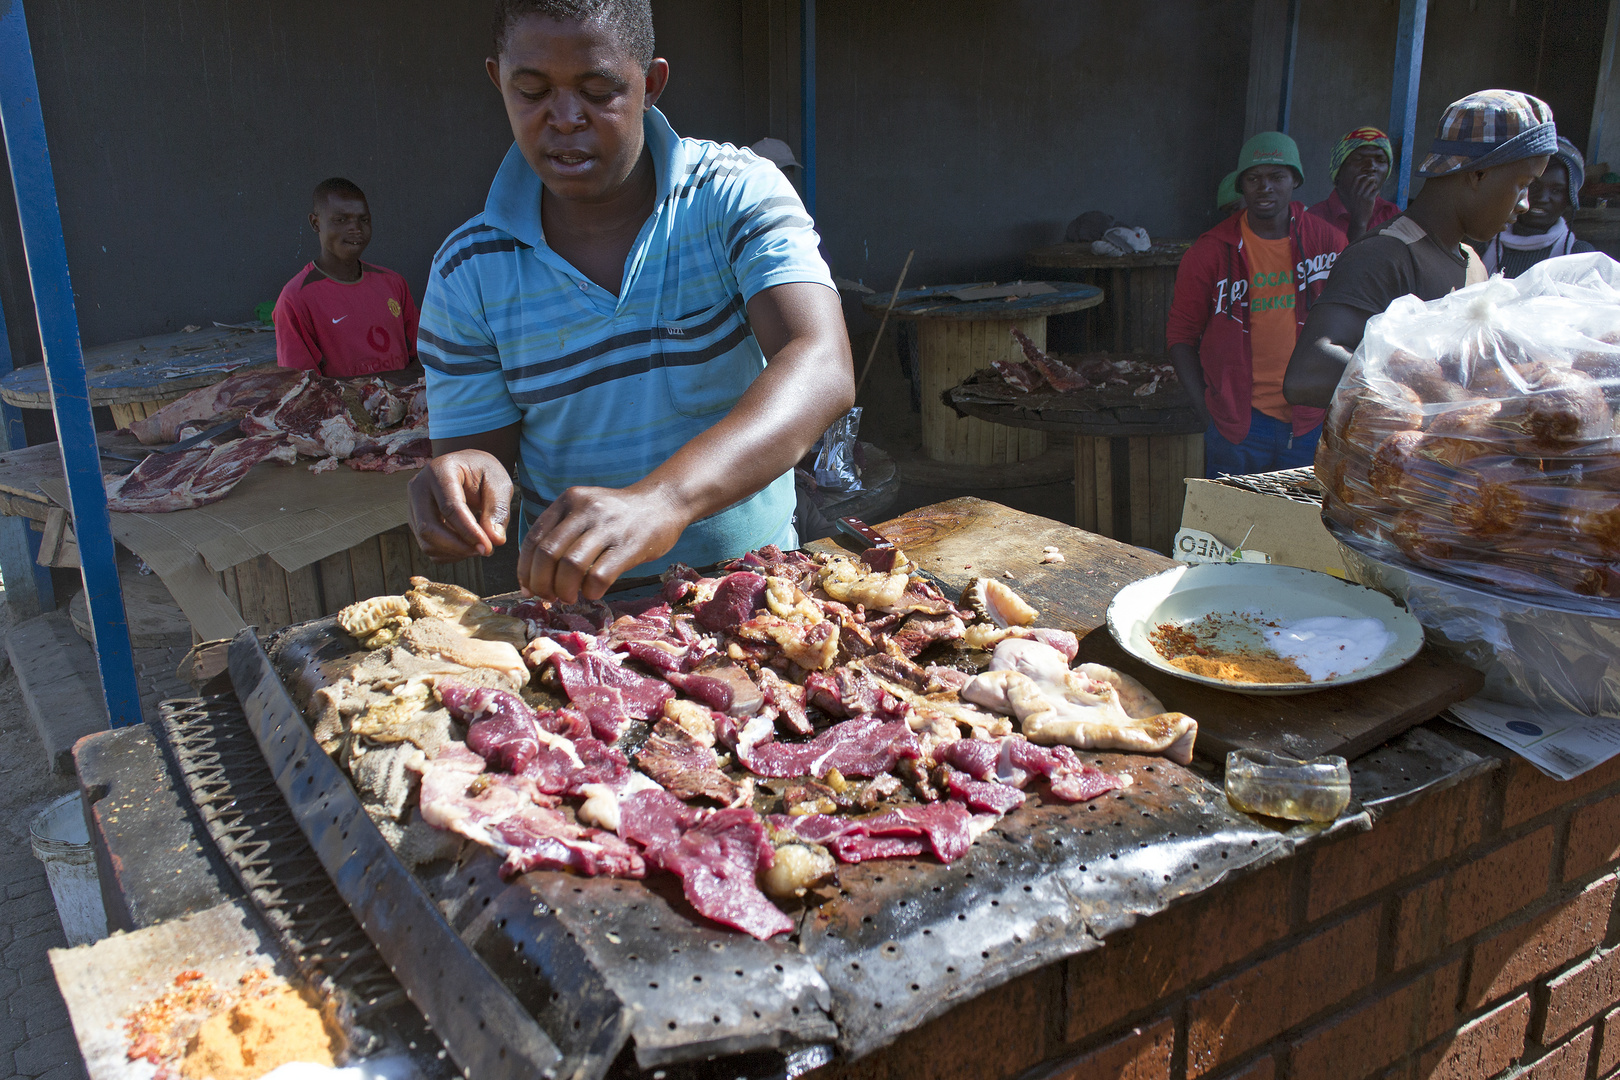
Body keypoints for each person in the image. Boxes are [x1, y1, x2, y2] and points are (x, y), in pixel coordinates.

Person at [407, 0, 854, 603]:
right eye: (531, 91)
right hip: (576, 618)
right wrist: (465, 480)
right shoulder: (468, 269)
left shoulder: (731, 194)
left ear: (651, 84)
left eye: (598, 90)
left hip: (755, 590)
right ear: (498, 82)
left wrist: (663, 501)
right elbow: (484, 454)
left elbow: (820, 363)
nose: (564, 118)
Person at [1284, 90, 1555, 410]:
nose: (1524, 204)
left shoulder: (1472, 264)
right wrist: (1435, 390)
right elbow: (1307, 375)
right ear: (1478, 173)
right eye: (1523, 183)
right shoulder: (1386, 255)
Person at [1167, 133, 1347, 477]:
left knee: (1298, 526)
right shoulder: (1209, 252)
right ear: (1242, 186)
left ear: (1295, 180)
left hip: (1309, 421)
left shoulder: (1328, 242)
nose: (1265, 187)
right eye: (1254, 178)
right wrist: (1209, 411)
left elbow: (1352, 322)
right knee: (1232, 527)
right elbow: (1180, 334)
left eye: (1277, 177)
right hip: (1238, 428)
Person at [272, 178, 420, 378]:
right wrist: (371, 392)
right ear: (315, 223)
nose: (356, 228)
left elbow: (427, 356)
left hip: (404, 406)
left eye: (364, 219)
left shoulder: (393, 283)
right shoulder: (295, 299)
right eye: (341, 220)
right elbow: (302, 389)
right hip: (342, 409)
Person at [1477, 136, 1594, 275]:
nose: (1543, 198)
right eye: (1532, 186)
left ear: (1569, 198)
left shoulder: (1579, 256)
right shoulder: (1481, 244)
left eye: (1556, 190)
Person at [1307, 127, 1402, 243]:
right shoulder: (1314, 219)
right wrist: (1359, 222)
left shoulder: (1392, 214)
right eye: (1359, 159)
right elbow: (1349, 261)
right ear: (1338, 171)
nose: (1371, 166)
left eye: (1380, 160)